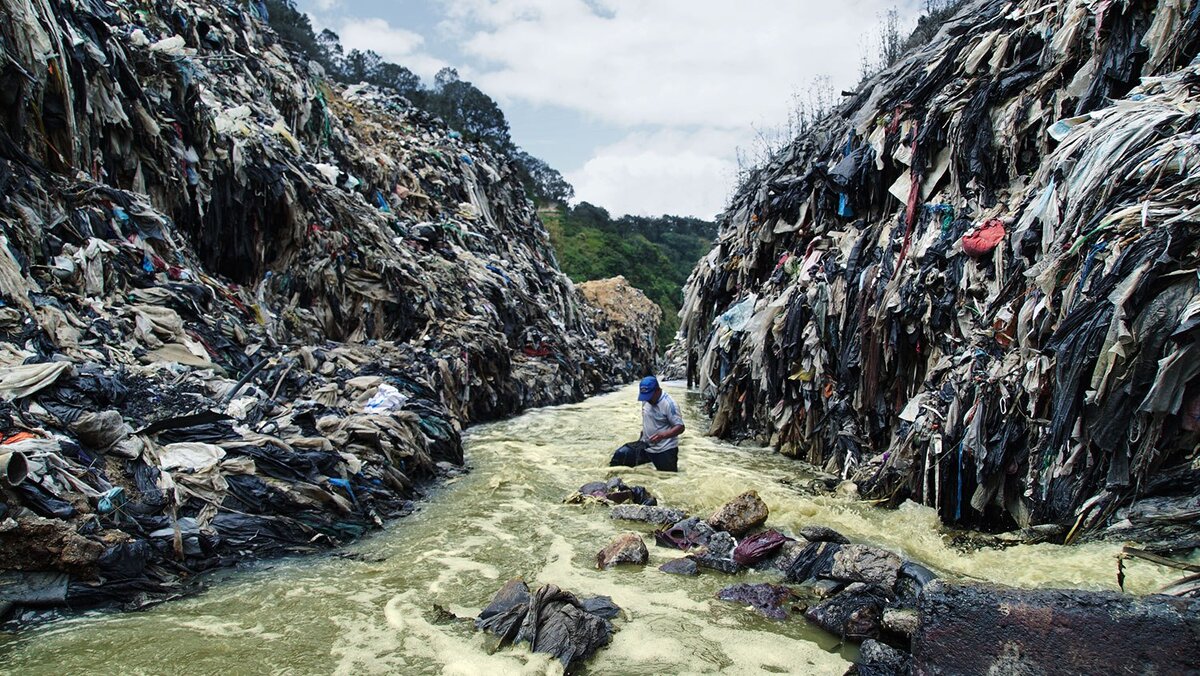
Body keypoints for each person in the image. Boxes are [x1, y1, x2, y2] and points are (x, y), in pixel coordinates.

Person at [609, 376, 685, 471]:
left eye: (649, 396)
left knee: (667, 478)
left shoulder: (669, 404)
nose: (647, 399)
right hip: (646, 445)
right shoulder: (646, 399)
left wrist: (663, 435)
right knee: (620, 455)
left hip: (664, 449)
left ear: (657, 390)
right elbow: (648, 418)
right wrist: (642, 436)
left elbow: (680, 427)